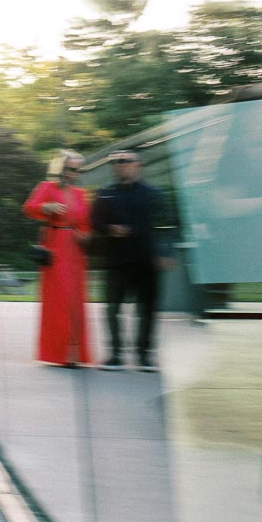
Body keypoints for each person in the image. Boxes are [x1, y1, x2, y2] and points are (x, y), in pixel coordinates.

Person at [90, 150, 172, 372]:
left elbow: (166, 225)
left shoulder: (153, 193)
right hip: (116, 261)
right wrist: (109, 229)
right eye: (116, 162)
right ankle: (115, 355)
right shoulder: (105, 194)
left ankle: (144, 356)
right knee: (112, 308)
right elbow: (94, 222)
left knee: (147, 309)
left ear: (138, 165)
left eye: (126, 161)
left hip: (146, 260)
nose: (120, 165)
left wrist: (166, 253)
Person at [22, 150, 94, 367]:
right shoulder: (46, 187)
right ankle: (59, 354)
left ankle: (74, 353)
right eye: (72, 169)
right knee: (58, 300)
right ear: (61, 168)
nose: (75, 173)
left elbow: (85, 222)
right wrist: (47, 207)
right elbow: (28, 208)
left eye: (78, 170)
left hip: (75, 250)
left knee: (75, 300)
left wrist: (85, 233)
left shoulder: (80, 193)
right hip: (54, 247)